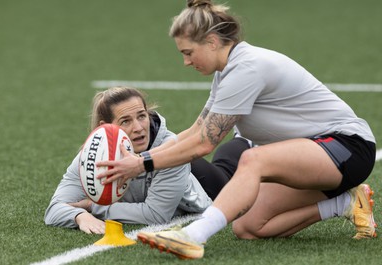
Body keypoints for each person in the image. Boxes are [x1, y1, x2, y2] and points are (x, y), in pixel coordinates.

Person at [96, 0, 377, 259]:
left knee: (253, 159)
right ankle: (345, 202)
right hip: (317, 156)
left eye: (188, 53)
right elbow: (197, 130)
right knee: (248, 226)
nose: (186, 62)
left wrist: (141, 164)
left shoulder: (247, 68)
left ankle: (193, 236)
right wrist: (136, 160)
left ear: (212, 41)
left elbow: (204, 144)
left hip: (347, 147)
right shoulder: (227, 72)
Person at [44, 86, 250, 234]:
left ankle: (246, 138)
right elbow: (54, 208)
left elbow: (155, 215)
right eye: (126, 121)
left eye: (142, 116)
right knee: (224, 164)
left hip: (203, 185)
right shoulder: (89, 157)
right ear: (105, 127)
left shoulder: (170, 148)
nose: (138, 127)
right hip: (181, 174)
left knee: (229, 171)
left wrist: (92, 207)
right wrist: (78, 216)